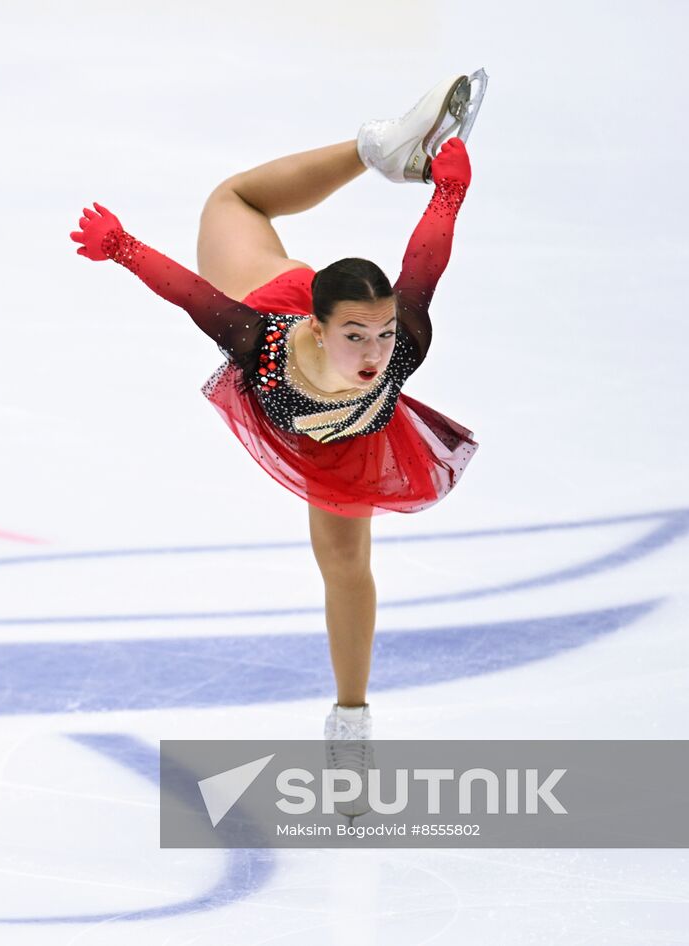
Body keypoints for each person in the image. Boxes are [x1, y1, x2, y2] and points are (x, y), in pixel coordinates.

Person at [69, 72, 485, 765]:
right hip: (275, 300)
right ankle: (378, 149)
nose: (377, 356)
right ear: (319, 332)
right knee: (232, 201)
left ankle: (350, 723)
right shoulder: (258, 340)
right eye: (358, 337)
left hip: (345, 443)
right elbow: (193, 296)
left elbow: (424, 261)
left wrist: (449, 193)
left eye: (383, 337)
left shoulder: (397, 345)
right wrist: (124, 248)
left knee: (345, 564)